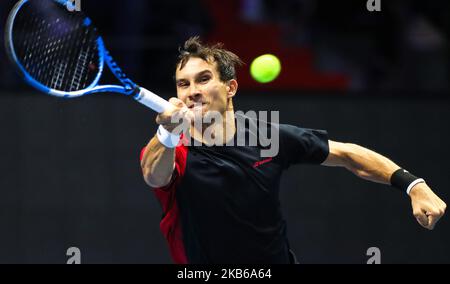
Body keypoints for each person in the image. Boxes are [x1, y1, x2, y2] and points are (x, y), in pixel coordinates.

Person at [140, 36, 446, 264]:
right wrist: (168, 131)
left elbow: (348, 155)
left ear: (230, 88)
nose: (192, 91)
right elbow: (154, 176)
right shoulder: (172, 146)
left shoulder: (265, 134)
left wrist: (412, 185)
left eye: (203, 79)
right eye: (183, 84)